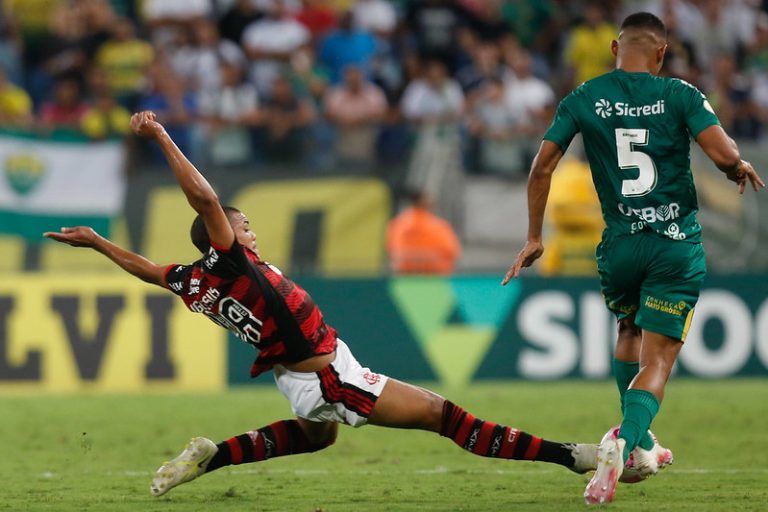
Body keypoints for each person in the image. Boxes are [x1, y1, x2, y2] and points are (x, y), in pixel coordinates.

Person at [44, 110, 598, 497]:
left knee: (318, 436)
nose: (250, 232)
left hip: (301, 378)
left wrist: (97, 242)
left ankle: (213, 455)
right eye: (243, 226)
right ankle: (572, 456)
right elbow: (204, 197)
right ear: (223, 236)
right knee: (442, 415)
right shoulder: (230, 259)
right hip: (330, 375)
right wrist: (163, 135)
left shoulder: (194, 281)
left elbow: (148, 271)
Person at [503, 12, 765, 505]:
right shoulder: (682, 94)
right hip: (673, 245)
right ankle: (623, 443)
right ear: (662, 53)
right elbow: (722, 152)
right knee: (659, 360)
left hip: (621, 246)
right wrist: (737, 166)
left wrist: (535, 236)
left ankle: (643, 443)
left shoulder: (582, 98)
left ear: (613, 50)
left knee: (628, 333)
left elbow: (542, 166)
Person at [386, 190, 461, 275]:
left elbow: (391, 251)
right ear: (423, 201)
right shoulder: (438, 226)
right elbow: (452, 252)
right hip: (434, 277)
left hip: (404, 277)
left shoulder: (397, 225)